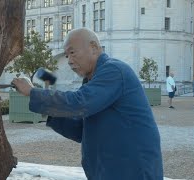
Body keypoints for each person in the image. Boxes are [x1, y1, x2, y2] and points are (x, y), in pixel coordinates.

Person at [12, 28, 163, 180]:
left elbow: (78, 103)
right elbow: (82, 131)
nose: (69, 60)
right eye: (66, 55)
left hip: (132, 170)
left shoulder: (114, 70)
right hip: (110, 170)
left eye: (72, 52)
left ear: (94, 47)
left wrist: (33, 92)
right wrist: (49, 111)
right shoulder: (93, 80)